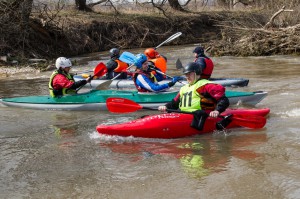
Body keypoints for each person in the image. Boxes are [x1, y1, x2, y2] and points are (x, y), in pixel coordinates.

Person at [158, 62, 229, 130]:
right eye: (186, 75)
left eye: (189, 74)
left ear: (196, 73)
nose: (187, 77)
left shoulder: (206, 86)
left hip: (200, 117)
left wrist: (217, 111)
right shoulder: (184, 88)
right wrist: (166, 106)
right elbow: (174, 103)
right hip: (184, 115)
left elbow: (223, 100)